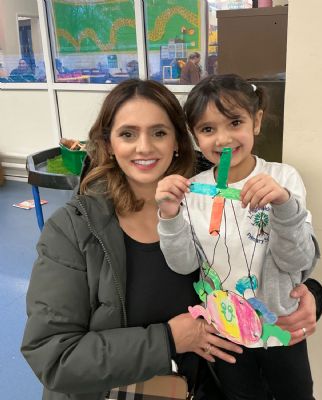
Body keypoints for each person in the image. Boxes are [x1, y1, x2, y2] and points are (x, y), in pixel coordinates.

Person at [20, 78, 244, 400]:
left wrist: (309, 295)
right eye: (128, 134)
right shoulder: (72, 229)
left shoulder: (208, 208)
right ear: (109, 144)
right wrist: (167, 340)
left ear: (177, 141)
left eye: (159, 132)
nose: (144, 147)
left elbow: (256, 264)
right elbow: (53, 356)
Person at [155, 73, 320, 400]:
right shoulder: (193, 190)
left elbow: (296, 260)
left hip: (281, 328)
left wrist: (284, 205)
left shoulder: (283, 179)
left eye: (235, 122)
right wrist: (169, 215)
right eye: (207, 129)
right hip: (226, 332)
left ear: (256, 121)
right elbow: (183, 265)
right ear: (194, 136)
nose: (223, 139)